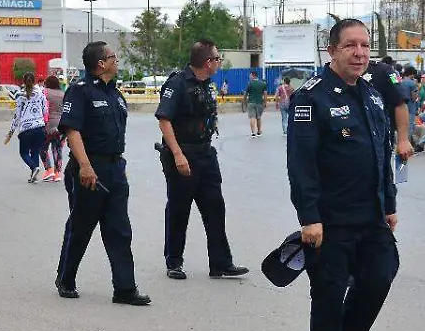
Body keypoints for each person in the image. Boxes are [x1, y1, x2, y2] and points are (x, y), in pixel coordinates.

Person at [286, 18, 399, 331]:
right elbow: (301, 164)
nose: (360, 52)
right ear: (332, 50)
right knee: (330, 293)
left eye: (365, 45)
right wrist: (309, 218)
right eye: (351, 45)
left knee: (380, 276)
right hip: (330, 219)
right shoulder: (311, 97)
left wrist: (389, 202)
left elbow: (382, 153)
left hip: (372, 214)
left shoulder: (371, 94)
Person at [54, 42, 150, 305]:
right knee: (81, 227)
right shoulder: (80, 91)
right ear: (101, 63)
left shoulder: (116, 95)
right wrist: (85, 166)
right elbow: (72, 130)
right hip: (89, 168)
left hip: (115, 169)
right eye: (112, 57)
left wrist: (119, 168)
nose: (116, 60)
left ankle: (125, 289)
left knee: (120, 230)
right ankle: (66, 279)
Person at [154, 39, 249, 280]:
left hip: (206, 154)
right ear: (208, 62)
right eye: (217, 58)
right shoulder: (177, 83)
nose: (219, 62)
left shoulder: (207, 84)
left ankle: (220, 263)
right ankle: (174, 262)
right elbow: (164, 120)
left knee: (215, 208)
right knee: (179, 210)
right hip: (183, 154)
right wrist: (178, 155)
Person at [363, 59, 414, 160]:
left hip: (378, 144)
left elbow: (400, 103)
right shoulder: (331, 76)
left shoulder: (383, 71)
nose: (359, 53)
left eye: (365, 49)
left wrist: (403, 139)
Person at [5, 72, 49, 184]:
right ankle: (34, 175)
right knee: (35, 151)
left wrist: (10, 132)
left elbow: (17, 116)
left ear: (23, 81)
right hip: (39, 127)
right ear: (34, 81)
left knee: (24, 152)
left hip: (26, 129)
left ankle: (34, 168)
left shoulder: (20, 95)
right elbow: (45, 110)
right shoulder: (41, 94)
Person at [40, 75, 66, 182]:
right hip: (61, 125)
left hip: (47, 125)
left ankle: (49, 170)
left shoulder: (44, 92)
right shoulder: (63, 94)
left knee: (42, 148)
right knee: (58, 149)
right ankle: (57, 173)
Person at [245, 70, 268, 137]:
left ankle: (253, 132)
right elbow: (265, 94)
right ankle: (259, 131)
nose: (249, 77)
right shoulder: (263, 84)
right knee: (258, 117)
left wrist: (245, 102)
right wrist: (265, 103)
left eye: (250, 75)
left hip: (251, 103)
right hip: (260, 103)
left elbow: (246, 94)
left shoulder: (250, 83)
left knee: (252, 117)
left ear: (253, 75)